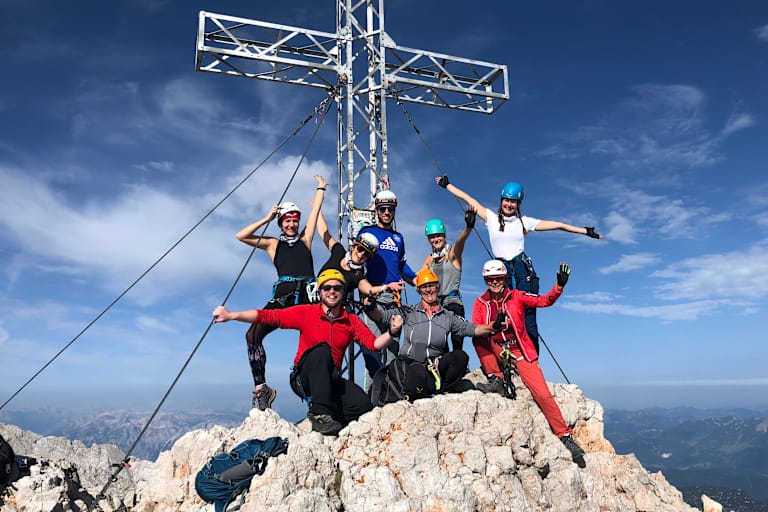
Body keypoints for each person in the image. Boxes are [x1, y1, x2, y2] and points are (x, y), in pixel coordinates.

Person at [213, 269, 403, 436]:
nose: (332, 291)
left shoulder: (350, 320)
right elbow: (268, 316)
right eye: (327, 288)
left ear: (343, 291)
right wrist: (232, 316)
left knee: (362, 406)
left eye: (337, 288)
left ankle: (332, 415)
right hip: (303, 377)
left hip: (331, 378)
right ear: (320, 291)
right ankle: (319, 414)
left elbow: (374, 344)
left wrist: (392, 332)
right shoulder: (307, 312)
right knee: (322, 351)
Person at [436, 174, 603, 354]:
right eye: (506, 200)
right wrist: (447, 185)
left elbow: (558, 225)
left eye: (513, 201)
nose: (509, 204)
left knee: (528, 319)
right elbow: (468, 198)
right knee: (502, 317)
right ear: (501, 201)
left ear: (518, 204)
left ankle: (532, 360)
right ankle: (508, 362)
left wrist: (585, 231)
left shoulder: (524, 222)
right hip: (501, 274)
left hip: (524, 273)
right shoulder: (490, 218)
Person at [471, 259, 587, 468]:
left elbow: (544, 301)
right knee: (478, 337)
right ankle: (495, 379)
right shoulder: (480, 303)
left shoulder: (516, 296)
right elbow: (477, 328)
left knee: (542, 394)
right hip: (498, 348)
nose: (495, 282)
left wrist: (559, 286)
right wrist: (492, 327)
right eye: (491, 279)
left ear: (506, 279)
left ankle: (565, 436)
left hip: (520, 351)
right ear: (485, 280)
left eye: (499, 278)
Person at [234, 175, 326, 410]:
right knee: (252, 336)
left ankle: (319, 395)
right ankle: (262, 389)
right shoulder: (273, 244)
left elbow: (315, 212)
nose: (292, 224)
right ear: (281, 223)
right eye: (287, 221)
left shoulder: (306, 238)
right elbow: (241, 236)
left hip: (306, 299)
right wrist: (266, 218)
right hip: (283, 300)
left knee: (317, 344)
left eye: (295, 220)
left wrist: (320, 188)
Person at [365, 268, 496, 402]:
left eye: (432, 286)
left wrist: (493, 327)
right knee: (412, 370)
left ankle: (440, 387)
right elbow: (382, 316)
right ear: (419, 291)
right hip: (413, 362)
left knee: (460, 357)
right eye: (424, 287)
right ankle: (427, 387)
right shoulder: (409, 311)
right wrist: (370, 307)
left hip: (436, 365)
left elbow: (471, 329)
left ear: (438, 288)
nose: (428, 290)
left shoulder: (447, 316)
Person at [357, 186, 417, 376]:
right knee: (372, 349)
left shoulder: (399, 238)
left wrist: (417, 280)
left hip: (394, 300)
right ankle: (375, 395)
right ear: (376, 210)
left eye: (390, 209)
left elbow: (401, 266)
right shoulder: (367, 232)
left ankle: (391, 394)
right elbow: (356, 259)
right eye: (382, 208)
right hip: (374, 298)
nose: (386, 212)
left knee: (393, 352)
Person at [315, 208, 405, 306]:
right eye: (360, 249)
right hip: (314, 302)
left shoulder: (358, 274)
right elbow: (324, 232)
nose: (361, 254)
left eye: (366, 254)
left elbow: (369, 289)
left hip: (333, 311)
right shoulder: (339, 252)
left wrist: (386, 287)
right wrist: (317, 208)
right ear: (354, 246)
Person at [419, 206, 476, 351]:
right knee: (440, 343)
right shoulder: (430, 260)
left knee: (457, 340)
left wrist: (468, 227)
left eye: (438, 235)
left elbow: (460, 243)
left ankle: (459, 365)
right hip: (437, 304)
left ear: (444, 236)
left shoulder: (452, 255)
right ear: (428, 239)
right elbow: (417, 279)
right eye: (432, 237)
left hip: (453, 302)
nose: (436, 239)